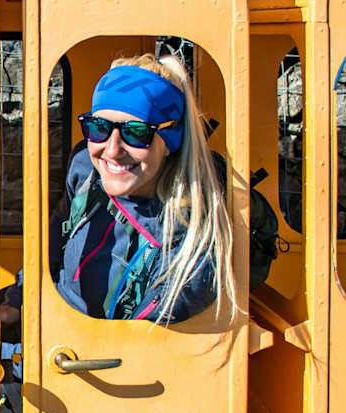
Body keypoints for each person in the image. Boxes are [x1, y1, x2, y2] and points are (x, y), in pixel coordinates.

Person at [52, 53, 235, 323]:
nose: (112, 150)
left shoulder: (190, 247)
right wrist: (17, 302)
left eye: (136, 132)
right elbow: (50, 250)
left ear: (170, 141)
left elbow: (139, 349)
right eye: (99, 127)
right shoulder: (85, 170)